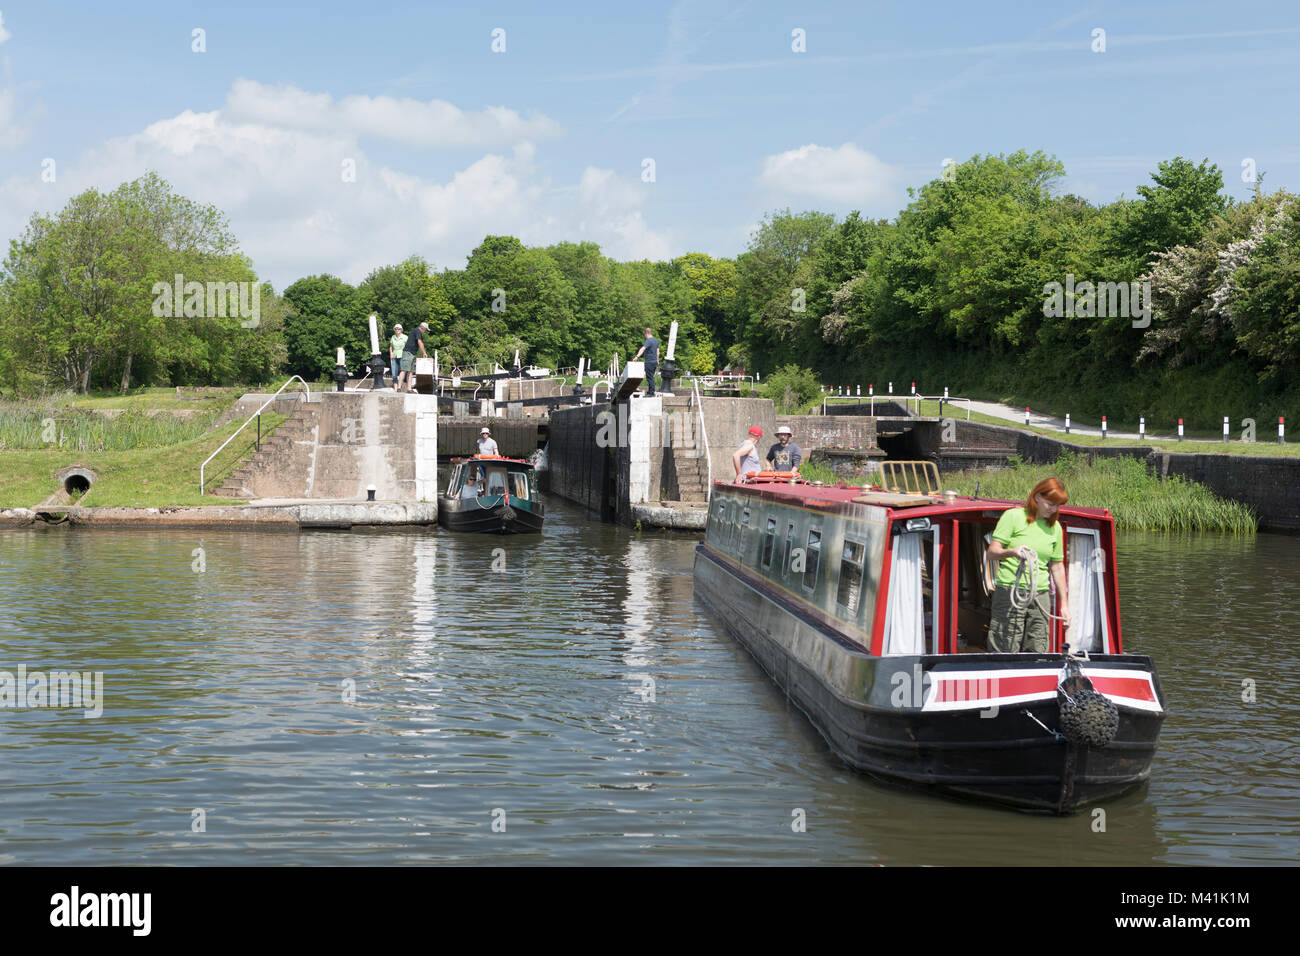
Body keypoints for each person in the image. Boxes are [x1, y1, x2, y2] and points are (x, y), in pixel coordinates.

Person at [985, 477, 1072, 653]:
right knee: (1005, 643)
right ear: (1038, 497)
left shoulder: (1055, 528)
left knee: (1038, 644)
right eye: (1050, 504)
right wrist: (1012, 552)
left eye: (1057, 505)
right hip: (1010, 590)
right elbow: (992, 552)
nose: (1054, 509)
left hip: (1040, 594)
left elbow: (1057, 567)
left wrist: (1064, 605)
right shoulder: (1013, 516)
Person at [399, 322, 429, 393]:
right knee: (404, 370)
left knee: (411, 371)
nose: (425, 331)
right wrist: (424, 352)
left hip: (412, 354)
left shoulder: (417, 331)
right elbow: (420, 342)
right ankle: (399, 387)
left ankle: (409, 389)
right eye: (425, 330)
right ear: (423, 328)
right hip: (408, 352)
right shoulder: (417, 331)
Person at [633, 327, 659, 397]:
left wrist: (637, 356)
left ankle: (651, 392)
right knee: (651, 377)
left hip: (649, 361)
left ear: (646, 333)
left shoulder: (649, 340)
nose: (644, 336)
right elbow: (657, 351)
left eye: (644, 334)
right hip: (654, 362)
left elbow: (643, 349)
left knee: (649, 377)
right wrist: (657, 360)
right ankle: (650, 391)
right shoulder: (656, 340)